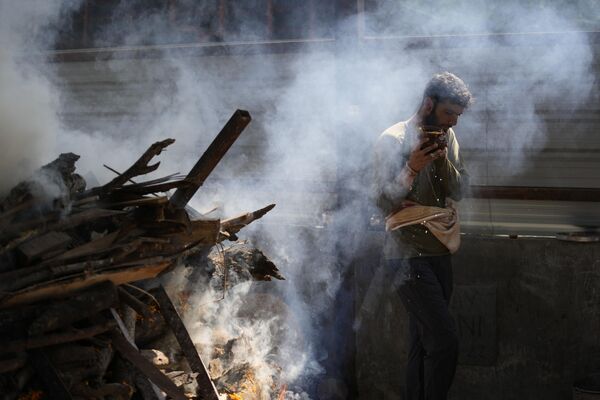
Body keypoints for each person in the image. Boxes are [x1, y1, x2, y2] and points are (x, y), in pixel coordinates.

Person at [372, 72, 472, 400]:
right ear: (429, 103)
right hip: (405, 255)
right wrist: (412, 167)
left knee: (422, 344)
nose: (453, 123)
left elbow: (460, 190)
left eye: (458, 116)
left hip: (440, 251)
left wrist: (443, 162)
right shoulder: (393, 139)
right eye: (448, 113)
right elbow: (382, 201)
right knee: (445, 341)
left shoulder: (448, 139)